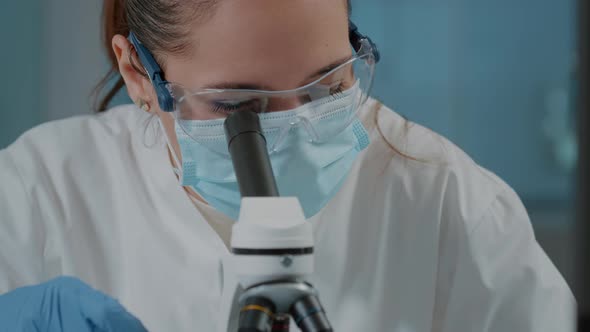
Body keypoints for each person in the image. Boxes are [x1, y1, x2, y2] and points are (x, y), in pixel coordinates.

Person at [0, 0, 576, 331]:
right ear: (137, 75)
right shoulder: (38, 195)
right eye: (237, 106)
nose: (298, 130)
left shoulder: (447, 200)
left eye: (331, 84)